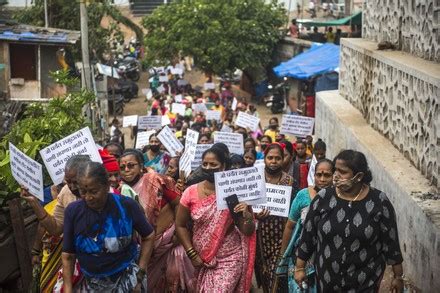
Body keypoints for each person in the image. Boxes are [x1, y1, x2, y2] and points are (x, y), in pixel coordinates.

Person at [294, 150, 404, 292]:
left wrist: (398, 276)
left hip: (365, 282)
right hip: (327, 280)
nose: (336, 176)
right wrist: (300, 268)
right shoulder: (323, 198)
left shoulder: (379, 202)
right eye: (335, 170)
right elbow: (308, 236)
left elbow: (391, 242)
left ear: (358, 176)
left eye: (342, 172)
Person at [62, 162, 155, 292]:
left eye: (94, 192)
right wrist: (68, 288)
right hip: (90, 285)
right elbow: (68, 255)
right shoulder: (73, 212)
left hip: (128, 282)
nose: (88, 197)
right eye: (83, 191)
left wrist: (140, 273)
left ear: (106, 186)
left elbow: (149, 236)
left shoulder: (126, 206)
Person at [175, 146, 256, 291]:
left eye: (213, 165)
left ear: (223, 166)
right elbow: (180, 225)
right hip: (201, 258)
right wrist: (192, 253)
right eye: (205, 164)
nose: (208, 167)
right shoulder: (190, 192)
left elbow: (247, 230)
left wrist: (248, 216)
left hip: (230, 257)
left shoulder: (231, 191)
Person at [120, 150, 195, 292]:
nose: (127, 170)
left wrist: (178, 232)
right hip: (146, 252)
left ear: (141, 166)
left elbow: (179, 204)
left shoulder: (154, 180)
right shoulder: (119, 190)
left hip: (171, 243)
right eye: (122, 167)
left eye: (131, 165)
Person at [21, 155, 91, 292]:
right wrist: (34, 202)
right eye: (68, 181)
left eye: (75, 182)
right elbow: (56, 228)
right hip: (77, 263)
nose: (71, 187)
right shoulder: (66, 192)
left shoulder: (106, 193)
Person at [278, 159, 335, 292]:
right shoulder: (303, 196)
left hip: (327, 258)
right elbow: (290, 226)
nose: (322, 179)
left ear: (334, 176)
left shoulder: (338, 199)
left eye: (327, 175)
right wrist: (283, 255)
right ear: (313, 176)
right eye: (318, 175)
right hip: (301, 256)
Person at [254, 143, 294, 293]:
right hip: (259, 238)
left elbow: (293, 210)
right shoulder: (255, 179)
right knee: (263, 274)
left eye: (278, 158)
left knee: (275, 276)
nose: (273, 161)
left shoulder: (289, 182)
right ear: (264, 159)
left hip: (281, 237)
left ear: (283, 159)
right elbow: (246, 205)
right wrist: (255, 215)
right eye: (270, 157)